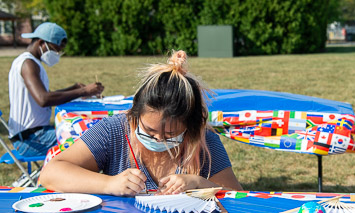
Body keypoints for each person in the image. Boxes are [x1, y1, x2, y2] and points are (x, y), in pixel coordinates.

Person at [40, 49, 242, 197]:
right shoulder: (113, 130)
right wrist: (110, 184)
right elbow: (51, 173)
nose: (159, 139)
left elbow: (239, 197)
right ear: (133, 115)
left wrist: (200, 183)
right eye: (149, 130)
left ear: (190, 126)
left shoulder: (203, 141)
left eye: (171, 135)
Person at [8, 22, 104, 157]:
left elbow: (45, 95)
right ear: (42, 43)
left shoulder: (32, 62)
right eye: (56, 50)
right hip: (30, 140)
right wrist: (84, 91)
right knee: (89, 138)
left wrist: (74, 88)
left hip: (36, 134)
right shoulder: (27, 63)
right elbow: (43, 99)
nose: (58, 54)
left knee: (86, 130)